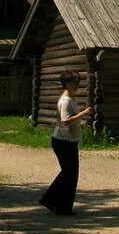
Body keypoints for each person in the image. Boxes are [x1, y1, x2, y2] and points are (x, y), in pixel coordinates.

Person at [39, 70, 92, 216]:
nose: (76, 85)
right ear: (67, 83)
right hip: (63, 142)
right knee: (69, 174)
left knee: (70, 174)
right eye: (74, 83)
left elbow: (68, 120)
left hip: (68, 140)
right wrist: (83, 114)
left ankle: (59, 205)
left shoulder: (69, 99)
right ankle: (56, 203)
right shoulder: (66, 100)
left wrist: (80, 124)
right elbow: (65, 121)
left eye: (77, 83)